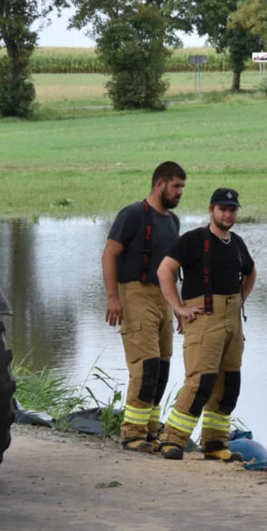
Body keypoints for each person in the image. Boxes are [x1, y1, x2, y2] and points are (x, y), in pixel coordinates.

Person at [153, 188, 257, 461]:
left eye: (232, 209)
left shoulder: (236, 242)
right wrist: (178, 307)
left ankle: (214, 444)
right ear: (211, 210)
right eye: (222, 209)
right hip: (204, 319)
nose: (228, 213)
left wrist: (240, 299)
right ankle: (172, 439)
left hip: (233, 320)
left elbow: (251, 272)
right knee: (201, 382)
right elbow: (164, 270)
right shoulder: (193, 240)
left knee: (229, 384)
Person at [103, 162, 187, 452]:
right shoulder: (133, 214)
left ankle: (150, 432)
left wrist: (178, 307)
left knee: (162, 367)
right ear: (159, 184)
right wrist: (113, 296)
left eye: (182, 188)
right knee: (146, 365)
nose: (180, 192)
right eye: (176, 186)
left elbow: (172, 269)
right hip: (134, 293)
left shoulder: (173, 221)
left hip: (163, 297)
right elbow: (110, 254)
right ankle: (131, 434)